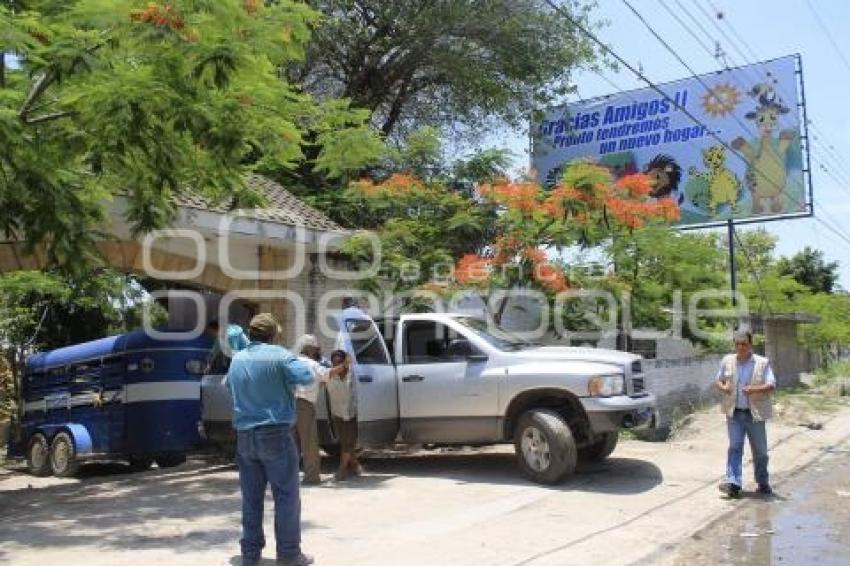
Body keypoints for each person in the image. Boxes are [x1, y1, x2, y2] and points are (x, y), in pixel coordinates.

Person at [226, 313, 315, 566]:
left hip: (245, 437)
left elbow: (229, 388)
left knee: (251, 499)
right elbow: (307, 377)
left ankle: (250, 555)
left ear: (251, 334)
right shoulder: (280, 355)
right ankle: (288, 555)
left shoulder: (237, 360)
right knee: (286, 496)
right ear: (273, 334)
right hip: (275, 434)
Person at [715, 329, 777, 499]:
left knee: (760, 452)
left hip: (754, 414)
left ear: (750, 344)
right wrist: (723, 387)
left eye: (744, 344)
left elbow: (772, 385)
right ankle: (734, 484)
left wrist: (754, 389)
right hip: (734, 413)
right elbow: (718, 380)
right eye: (738, 344)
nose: (741, 347)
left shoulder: (762, 363)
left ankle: (763, 482)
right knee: (735, 448)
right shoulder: (727, 361)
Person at [292, 334, 350, 485]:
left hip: (287, 405)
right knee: (309, 443)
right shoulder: (312, 364)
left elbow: (319, 381)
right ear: (310, 349)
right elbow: (327, 373)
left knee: (291, 443)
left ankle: (288, 476)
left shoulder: (293, 362)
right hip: (304, 405)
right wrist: (345, 365)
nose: (319, 351)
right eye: (317, 348)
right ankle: (311, 477)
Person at [326, 349, 362, 481]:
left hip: (350, 413)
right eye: (334, 363)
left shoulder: (352, 375)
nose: (337, 366)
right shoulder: (329, 375)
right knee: (345, 442)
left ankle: (342, 469)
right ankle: (355, 465)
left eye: (339, 362)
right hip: (337, 413)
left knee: (348, 442)